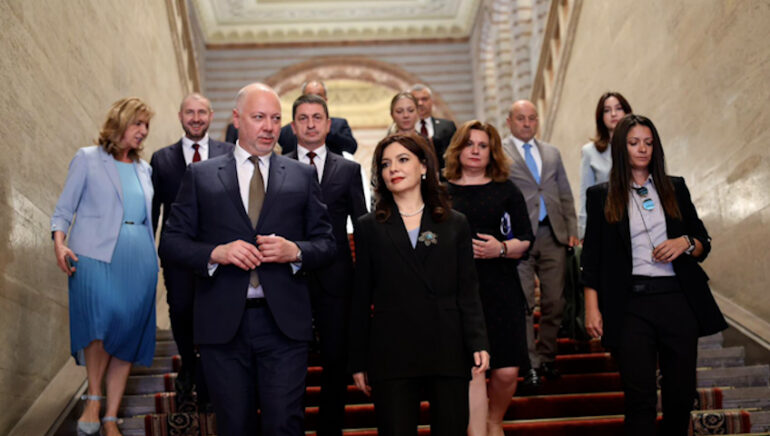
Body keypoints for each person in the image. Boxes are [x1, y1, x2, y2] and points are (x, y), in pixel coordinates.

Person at [158, 83, 336, 435]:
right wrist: (216, 253)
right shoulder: (201, 175)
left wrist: (295, 251)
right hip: (222, 325)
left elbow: (327, 243)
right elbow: (171, 242)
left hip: (284, 325)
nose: (269, 127)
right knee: (234, 427)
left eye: (275, 119)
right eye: (259, 117)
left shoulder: (301, 175)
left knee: (284, 425)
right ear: (237, 119)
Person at [582, 114, 727, 435]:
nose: (642, 149)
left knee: (681, 395)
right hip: (630, 304)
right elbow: (592, 257)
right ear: (621, 148)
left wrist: (684, 242)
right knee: (640, 398)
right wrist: (592, 307)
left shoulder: (675, 188)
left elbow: (702, 242)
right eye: (634, 143)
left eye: (648, 143)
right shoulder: (601, 195)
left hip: (678, 299)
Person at [349, 132, 490, 436]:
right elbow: (360, 298)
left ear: (424, 166)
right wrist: (358, 359)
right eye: (385, 164)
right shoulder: (369, 226)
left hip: (447, 345)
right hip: (392, 351)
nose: (393, 169)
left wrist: (478, 341)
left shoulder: (454, 223)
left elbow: (468, 290)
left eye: (402, 160)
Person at [51, 97, 158, 436]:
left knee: (127, 332)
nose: (143, 131)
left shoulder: (145, 170)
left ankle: (110, 416)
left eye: (146, 125)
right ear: (120, 122)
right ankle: (93, 399)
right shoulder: (87, 158)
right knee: (99, 325)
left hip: (139, 259)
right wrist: (59, 242)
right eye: (137, 123)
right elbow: (64, 209)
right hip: (94, 255)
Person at [284, 93, 368, 436]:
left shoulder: (348, 169)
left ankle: (329, 430)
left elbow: (361, 225)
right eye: (303, 118)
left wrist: (365, 276)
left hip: (337, 278)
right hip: (289, 278)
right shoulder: (278, 166)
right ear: (293, 126)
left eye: (317, 117)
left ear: (328, 124)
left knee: (335, 360)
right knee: (291, 362)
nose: (310, 124)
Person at [445, 121, 533, 436]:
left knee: (507, 371)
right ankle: (479, 430)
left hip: (501, 288)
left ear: (492, 151)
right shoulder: (442, 192)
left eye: (483, 146)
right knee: (473, 369)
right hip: (458, 293)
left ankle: (495, 419)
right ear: (458, 148)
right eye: (469, 144)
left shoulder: (506, 190)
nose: (476, 151)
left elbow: (526, 239)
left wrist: (501, 248)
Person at [149, 93, 233, 408]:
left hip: (218, 251)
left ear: (211, 116)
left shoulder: (229, 153)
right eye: (189, 112)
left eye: (201, 112)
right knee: (181, 310)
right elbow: (153, 210)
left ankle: (211, 373)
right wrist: (150, 249)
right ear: (180, 116)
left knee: (214, 312)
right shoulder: (161, 159)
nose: (196, 118)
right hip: (178, 255)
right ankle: (188, 364)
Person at [501, 100, 578, 388]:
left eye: (532, 118)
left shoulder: (551, 152)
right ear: (509, 122)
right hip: (518, 237)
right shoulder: (500, 153)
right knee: (524, 303)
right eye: (521, 118)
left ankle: (547, 356)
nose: (527, 123)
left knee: (555, 301)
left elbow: (564, 192)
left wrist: (571, 228)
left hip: (552, 234)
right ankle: (530, 363)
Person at [578, 92, 633, 239]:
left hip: (640, 217)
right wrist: (583, 230)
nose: (613, 114)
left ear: (627, 112)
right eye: (607, 110)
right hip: (607, 222)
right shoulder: (590, 151)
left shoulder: (639, 145)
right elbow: (585, 194)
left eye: (618, 108)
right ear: (600, 117)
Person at [410, 83, 457, 171]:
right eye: (416, 100)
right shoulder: (405, 129)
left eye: (424, 99)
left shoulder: (448, 127)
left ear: (431, 101)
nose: (420, 103)